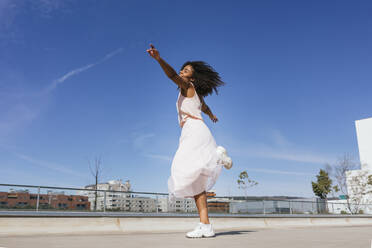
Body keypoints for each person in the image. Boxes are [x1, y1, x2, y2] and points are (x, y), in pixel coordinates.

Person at [146, 44, 232, 238]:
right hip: (196, 131)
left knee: (183, 170)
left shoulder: (187, 86)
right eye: (182, 69)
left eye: (185, 71)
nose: (181, 72)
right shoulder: (197, 94)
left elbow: (171, 76)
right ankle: (205, 225)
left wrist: (159, 59)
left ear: (191, 78)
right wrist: (212, 115)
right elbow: (205, 106)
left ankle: (217, 156)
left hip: (194, 131)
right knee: (197, 183)